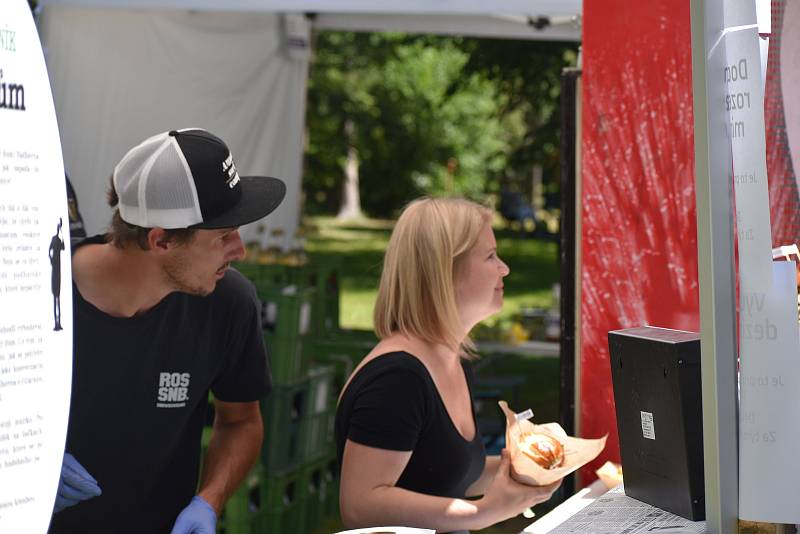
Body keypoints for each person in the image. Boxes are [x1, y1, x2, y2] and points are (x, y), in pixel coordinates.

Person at [48, 128, 287, 534]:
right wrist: (22, 469)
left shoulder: (228, 303)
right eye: (223, 235)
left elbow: (241, 422)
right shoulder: (33, 299)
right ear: (160, 241)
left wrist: (207, 501)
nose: (240, 249)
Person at [334, 197, 561, 533]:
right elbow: (360, 506)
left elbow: (445, 473)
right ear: (446, 272)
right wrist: (483, 512)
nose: (504, 268)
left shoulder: (450, 358)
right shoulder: (398, 378)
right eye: (490, 256)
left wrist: (528, 466)